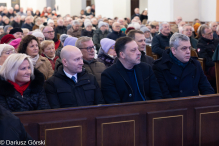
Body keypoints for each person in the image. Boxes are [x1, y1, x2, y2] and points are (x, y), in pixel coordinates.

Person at [101, 37, 162, 104]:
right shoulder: (109, 75)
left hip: (149, 110)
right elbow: (114, 104)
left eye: (138, 49)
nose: (139, 53)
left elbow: (156, 95)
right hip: (126, 113)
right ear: (122, 54)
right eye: (133, 50)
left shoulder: (146, 68)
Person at [153, 33, 215, 98]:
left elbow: (207, 89)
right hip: (174, 106)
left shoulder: (196, 64)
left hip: (194, 104)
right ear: (174, 50)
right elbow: (164, 96)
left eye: (189, 48)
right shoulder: (160, 67)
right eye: (184, 48)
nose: (188, 51)